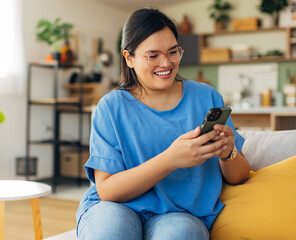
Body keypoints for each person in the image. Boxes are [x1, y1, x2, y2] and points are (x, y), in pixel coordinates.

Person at [76, 7, 250, 240]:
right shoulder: (111, 107)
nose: (166, 63)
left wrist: (228, 152)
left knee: (181, 234)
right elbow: (107, 191)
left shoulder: (206, 97)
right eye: (153, 55)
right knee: (113, 232)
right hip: (117, 206)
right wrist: (170, 160)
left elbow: (239, 176)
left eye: (173, 52)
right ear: (129, 58)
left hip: (182, 214)